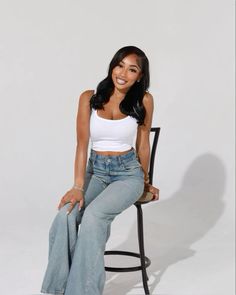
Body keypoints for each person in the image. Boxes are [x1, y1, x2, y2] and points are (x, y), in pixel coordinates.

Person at [40, 45, 159, 295]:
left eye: (132, 69)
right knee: (66, 215)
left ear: (140, 76)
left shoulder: (144, 100)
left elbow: (143, 143)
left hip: (128, 175)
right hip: (96, 170)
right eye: (120, 65)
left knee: (94, 217)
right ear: (112, 66)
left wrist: (146, 180)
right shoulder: (89, 97)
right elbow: (82, 144)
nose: (123, 73)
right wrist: (77, 187)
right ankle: (55, 290)